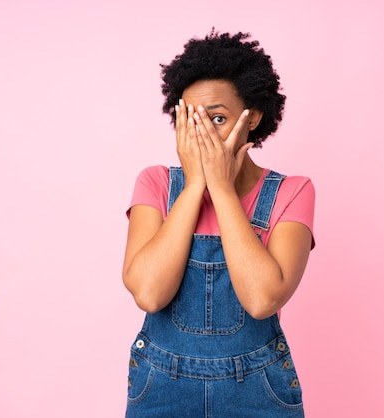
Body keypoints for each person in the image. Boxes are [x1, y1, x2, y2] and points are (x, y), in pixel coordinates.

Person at [122, 30, 315, 417]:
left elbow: (263, 300)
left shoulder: (292, 192)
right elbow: (148, 293)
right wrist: (196, 184)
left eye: (219, 118)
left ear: (254, 117)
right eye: (191, 120)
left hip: (258, 390)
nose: (204, 133)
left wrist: (223, 190)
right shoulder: (156, 183)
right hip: (163, 387)